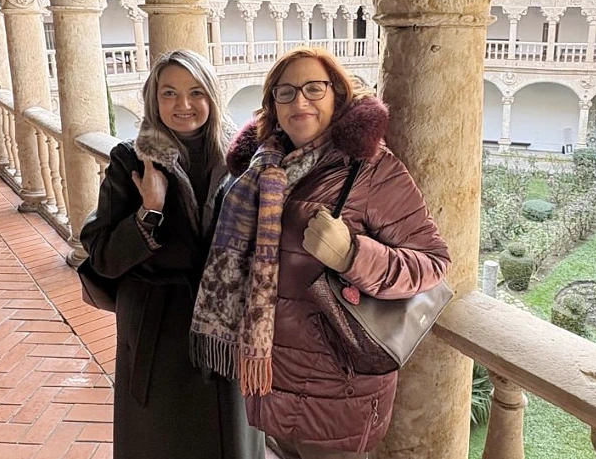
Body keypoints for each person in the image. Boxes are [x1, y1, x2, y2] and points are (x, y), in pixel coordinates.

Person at [192, 47, 450, 459]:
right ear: (273, 105)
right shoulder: (258, 170)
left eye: (314, 88)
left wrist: (352, 255)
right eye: (286, 92)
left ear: (337, 95)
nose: (300, 101)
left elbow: (433, 263)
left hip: (338, 395)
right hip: (270, 381)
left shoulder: (370, 168)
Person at [80, 49, 264, 459]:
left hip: (223, 327)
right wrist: (149, 211)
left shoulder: (242, 158)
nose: (184, 104)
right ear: (154, 98)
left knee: (229, 437)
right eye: (169, 93)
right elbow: (103, 256)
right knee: (161, 439)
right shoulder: (130, 159)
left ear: (212, 95)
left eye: (196, 92)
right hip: (159, 329)